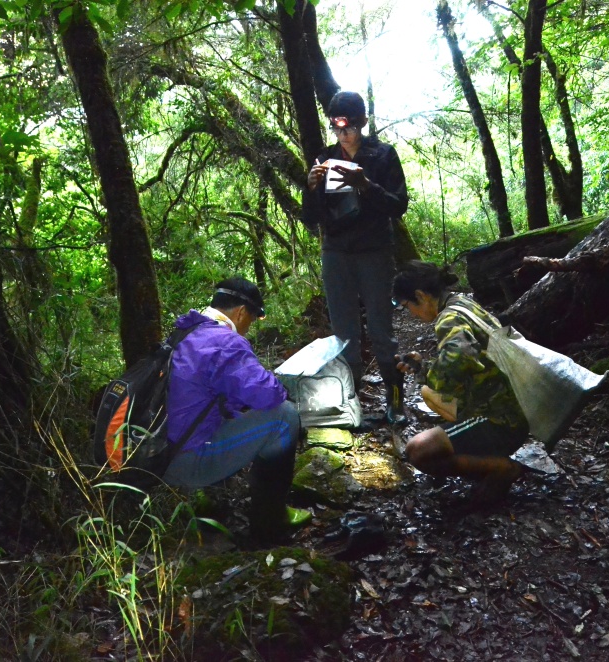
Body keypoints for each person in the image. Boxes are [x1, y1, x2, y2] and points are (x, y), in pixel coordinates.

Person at [162, 277, 308, 543]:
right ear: (241, 312)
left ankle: (216, 502)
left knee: (244, 415)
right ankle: (270, 523)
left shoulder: (187, 332)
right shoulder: (224, 342)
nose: (248, 328)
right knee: (285, 417)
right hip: (187, 461)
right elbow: (270, 396)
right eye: (251, 320)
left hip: (163, 453)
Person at [302, 90, 409, 424]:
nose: (342, 133)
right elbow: (310, 218)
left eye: (347, 126)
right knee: (343, 331)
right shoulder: (325, 158)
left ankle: (395, 401)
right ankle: (351, 401)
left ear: (362, 122)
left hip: (374, 251)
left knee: (380, 327)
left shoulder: (383, 155)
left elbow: (399, 205)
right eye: (336, 127)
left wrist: (366, 185)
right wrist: (311, 188)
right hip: (336, 253)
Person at [392, 261, 530, 499]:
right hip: (516, 407)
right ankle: (483, 454)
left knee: (417, 450)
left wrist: (430, 375)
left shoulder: (449, 319)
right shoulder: (463, 304)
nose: (411, 315)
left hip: (500, 420)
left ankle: (503, 468)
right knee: (428, 393)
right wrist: (422, 368)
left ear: (420, 296)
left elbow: (461, 357)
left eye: (407, 306)